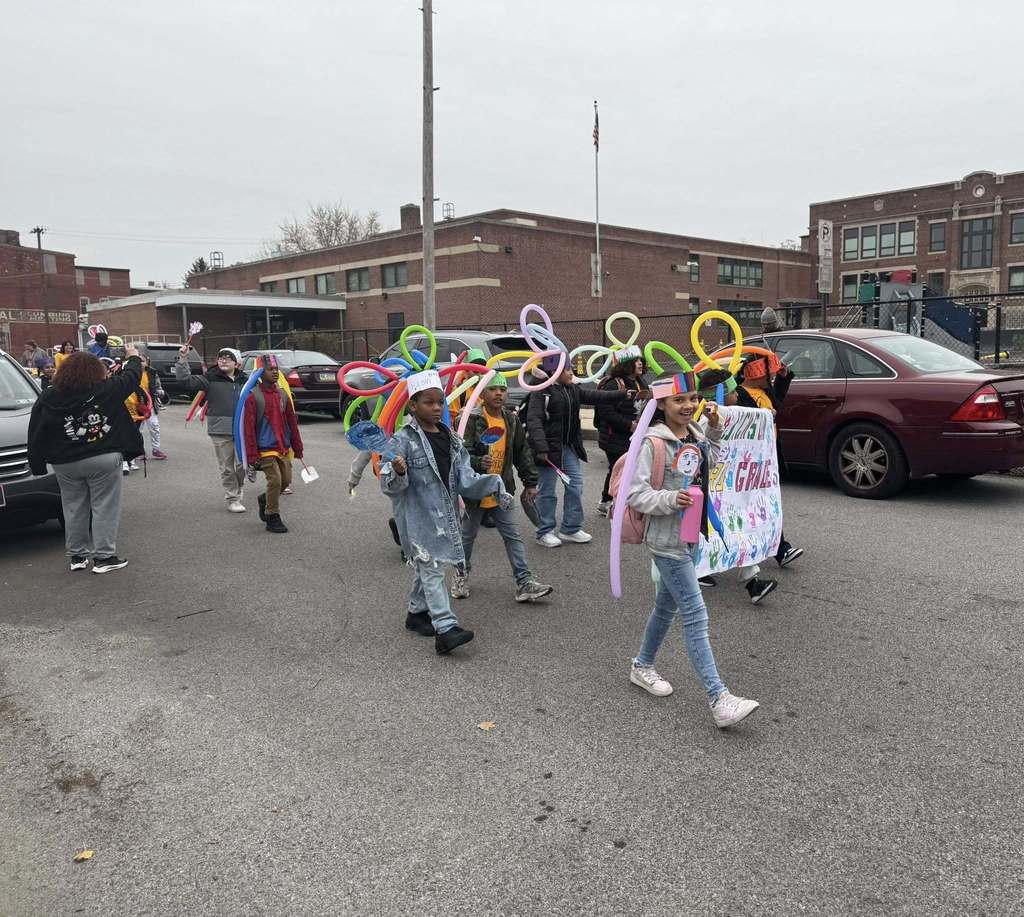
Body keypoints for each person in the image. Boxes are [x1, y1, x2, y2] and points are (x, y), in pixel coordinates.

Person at [625, 372, 760, 729]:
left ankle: (642, 665)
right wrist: (671, 499)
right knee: (696, 616)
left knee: (665, 608)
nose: (688, 406)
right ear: (662, 405)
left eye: (692, 398)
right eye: (679, 400)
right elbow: (634, 493)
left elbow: (710, 465)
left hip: (691, 536)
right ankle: (719, 699)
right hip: (667, 541)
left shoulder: (696, 434)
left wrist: (713, 431)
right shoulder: (652, 443)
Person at [381, 369, 510, 655]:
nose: (437, 407)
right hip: (418, 518)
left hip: (445, 515)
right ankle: (445, 627)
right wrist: (398, 471)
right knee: (432, 568)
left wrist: (492, 482)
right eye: (428, 402)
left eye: (440, 401)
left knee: (431, 566)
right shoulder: (402, 440)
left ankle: (416, 614)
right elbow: (388, 484)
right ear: (412, 405)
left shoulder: (451, 438)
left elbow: (464, 478)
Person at [26, 347, 144, 573]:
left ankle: (77, 556)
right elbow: (131, 377)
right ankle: (104, 557)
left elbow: (37, 430)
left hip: (65, 462)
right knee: (104, 506)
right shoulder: (107, 389)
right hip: (103, 456)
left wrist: (37, 463)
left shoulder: (49, 396)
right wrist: (133, 356)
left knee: (73, 507)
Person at [455, 374, 553, 603]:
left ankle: (524, 582)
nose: (499, 393)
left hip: (502, 489)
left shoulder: (511, 419)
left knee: (513, 536)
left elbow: (522, 451)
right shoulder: (470, 418)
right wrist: (479, 462)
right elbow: (460, 453)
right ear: (481, 394)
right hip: (476, 490)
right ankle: (461, 574)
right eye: (492, 389)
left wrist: (530, 482)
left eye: (502, 389)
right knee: (467, 536)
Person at [526, 355, 641, 548]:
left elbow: (594, 396)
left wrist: (622, 394)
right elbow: (534, 420)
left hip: (569, 447)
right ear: (553, 372)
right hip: (547, 450)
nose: (571, 372)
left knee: (576, 485)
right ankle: (544, 531)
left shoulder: (571, 388)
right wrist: (541, 447)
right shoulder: (541, 391)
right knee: (547, 491)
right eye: (567, 369)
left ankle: (570, 528)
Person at [693, 368, 778, 604]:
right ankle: (695, 570)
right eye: (732, 390)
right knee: (706, 533)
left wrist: (765, 415)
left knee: (736, 530)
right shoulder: (703, 422)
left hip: (729, 492)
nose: (737, 394)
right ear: (720, 393)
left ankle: (753, 583)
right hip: (710, 490)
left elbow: (750, 417)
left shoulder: (733, 414)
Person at [736, 354, 803, 569]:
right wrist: (763, 414)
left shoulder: (765, 390)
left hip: (768, 457)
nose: (772, 378)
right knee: (751, 505)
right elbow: (743, 420)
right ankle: (775, 548)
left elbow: (778, 399)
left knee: (769, 502)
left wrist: (784, 377)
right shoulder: (739, 394)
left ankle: (781, 549)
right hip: (748, 460)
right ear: (756, 372)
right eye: (770, 374)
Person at [174, 345, 250, 512]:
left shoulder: (246, 380)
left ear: (237, 363)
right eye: (221, 357)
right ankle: (233, 498)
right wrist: (183, 359)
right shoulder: (210, 378)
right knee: (227, 467)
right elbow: (184, 380)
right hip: (219, 430)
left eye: (228, 357)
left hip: (243, 429)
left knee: (242, 465)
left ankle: (238, 487)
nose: (223, 360)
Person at [242, 357, 304, 534]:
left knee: (286, 480)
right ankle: (272, 516)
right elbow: (248, 429)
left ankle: (265, 499)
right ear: (261, 373)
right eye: (270, 369)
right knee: (275, 480)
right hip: (265, 447)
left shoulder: (283, 394)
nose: (275, 372)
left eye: (277, 369)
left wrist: (297, 447)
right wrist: (252, 455)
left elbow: (292, 423)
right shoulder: (253, 396)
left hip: (282, 446)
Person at [595, 346, 645, 517]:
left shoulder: (640, 382)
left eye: (641, 360)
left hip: (635, 436)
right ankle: (607, 501)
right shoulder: (612, 384)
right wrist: (629, 425)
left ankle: (621, 501)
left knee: (631, 469)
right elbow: (605, 412)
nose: (640, 363)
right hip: (614, 437)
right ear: (626, 364)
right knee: (618, 469)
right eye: (636, 360)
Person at [139, 351, 167, 460]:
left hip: (150, 404)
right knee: (138, 429)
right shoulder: (130, 373)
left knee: (154, 426)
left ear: (147, 362)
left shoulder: (152, 373)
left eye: (143, 361)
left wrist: (160, 392)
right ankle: (140, 451)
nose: (141, 363)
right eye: (139, 361)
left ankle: (156, 449)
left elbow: (158, 386)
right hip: (135, 405)